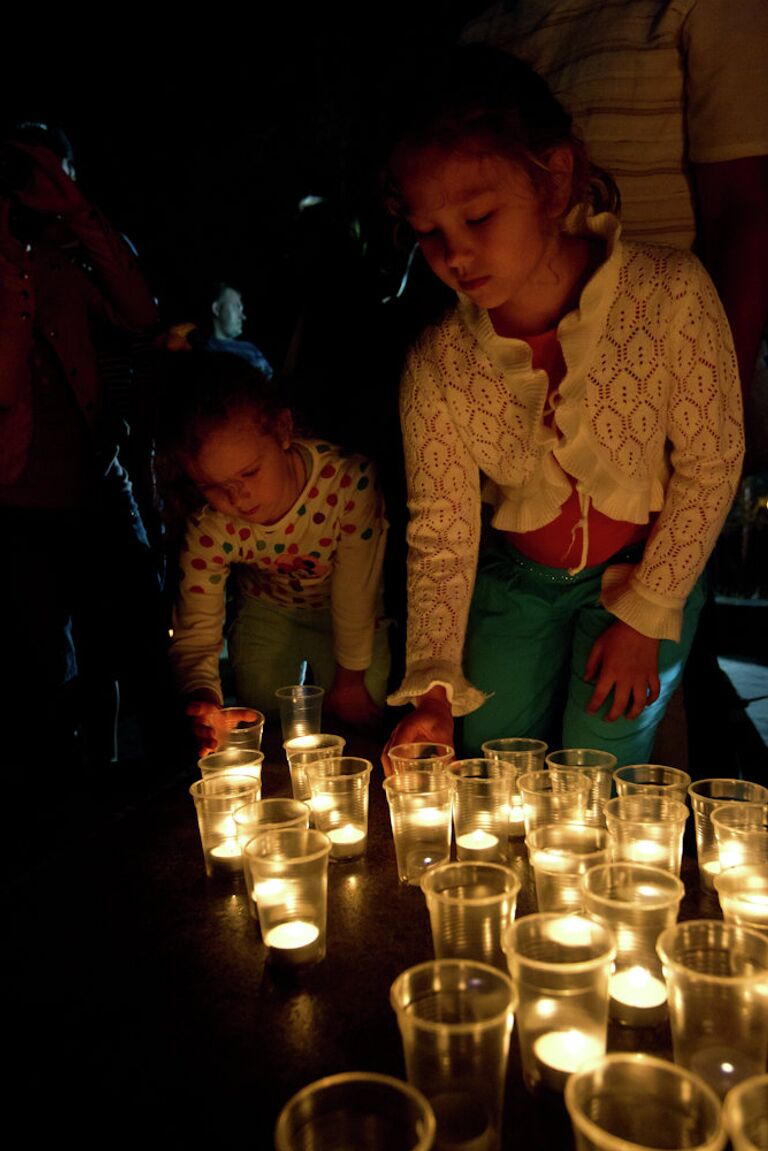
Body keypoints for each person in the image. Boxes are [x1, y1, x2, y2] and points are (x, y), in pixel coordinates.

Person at [382, 47, 744, 769]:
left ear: (552, 179)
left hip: (646, 570)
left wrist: (645, 614)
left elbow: (712, 462)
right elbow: (446, 531)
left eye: (479, 216)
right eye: (430, 233)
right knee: (493, 755)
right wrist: (432, 687)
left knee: (599, 758)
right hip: (518, 585)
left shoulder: (669, 295)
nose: (455, 256)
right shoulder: (438, 363)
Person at [0, 123, 161, 771]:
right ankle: (60, 792)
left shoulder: (74, 248)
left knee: (134, 623)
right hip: (16, 487)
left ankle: (132, 771)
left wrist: (77, 212)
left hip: (97, 473)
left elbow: (140, 311)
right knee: (39, 652)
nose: (42, 184)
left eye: (56, 169)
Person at [158, 352, 390, 753]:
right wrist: (205, 702)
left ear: (282, 430)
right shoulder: (210, 524)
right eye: (213, 486)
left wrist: (350, 681)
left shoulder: (348, 486)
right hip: (268, 609)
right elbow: (197, 630)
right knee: (261, 713)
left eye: (249, 473)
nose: (238, 498)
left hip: (355, 614)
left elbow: (357, 593)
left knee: (363, 704)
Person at [198, 280, 273, 377]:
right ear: (216, 309)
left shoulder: (250, 349)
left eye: (242, 309)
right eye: (236, 307)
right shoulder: (199, 352)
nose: (243, 316)